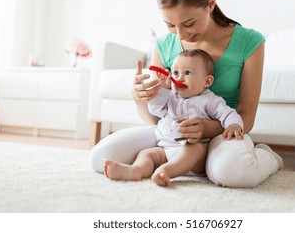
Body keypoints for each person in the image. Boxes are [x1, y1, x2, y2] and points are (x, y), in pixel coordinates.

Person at [90, 0, 283, 188]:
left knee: (234, 174)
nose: (181, 35)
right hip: (171, 131)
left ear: (210, 3)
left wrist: (206, 128)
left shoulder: (249, 42)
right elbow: (155, 118)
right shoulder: (163, 45)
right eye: (170, 25)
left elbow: (246, 117)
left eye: (189, 23)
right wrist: (140, 97)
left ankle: (267, 157)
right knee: (98, 158)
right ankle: (175, 165)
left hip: (223, 133)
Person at [103, 49, 244, 186]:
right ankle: (136, 170)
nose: (179, 78)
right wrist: (164, 89)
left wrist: (234, 125)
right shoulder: (171, 96)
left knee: (196, 149)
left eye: (187, 73)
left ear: (207, 82)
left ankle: (166, 171)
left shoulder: (210, 100)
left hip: (195, 155)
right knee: (147, 154)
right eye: (175, 73)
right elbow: (155, 109)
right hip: (165, 149)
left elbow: (228, 114)